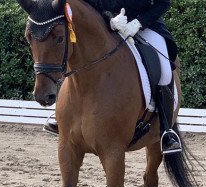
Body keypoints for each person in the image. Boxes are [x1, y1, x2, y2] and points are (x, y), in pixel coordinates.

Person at [44, 0, 181, 154]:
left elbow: (163, 3)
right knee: (74, 52)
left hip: (145, 26)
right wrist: (109, 19)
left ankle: (166, 130)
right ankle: (63, 115)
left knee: (165, 71)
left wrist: (138, 23)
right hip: (105, 25)